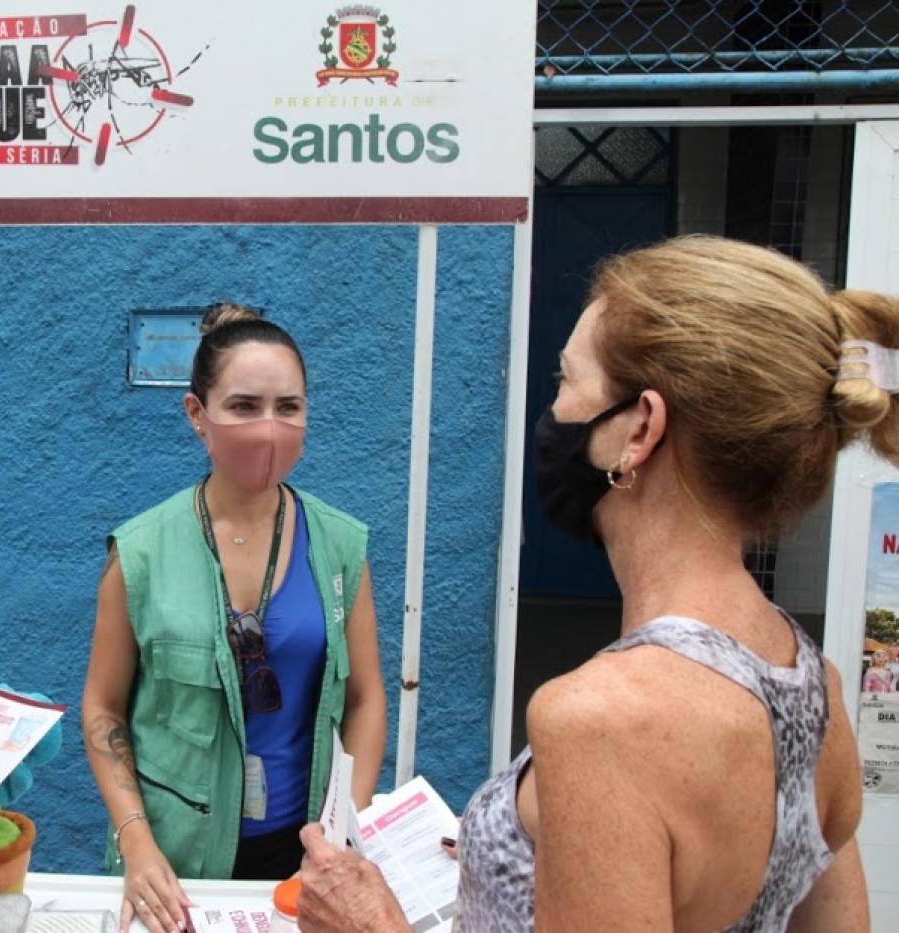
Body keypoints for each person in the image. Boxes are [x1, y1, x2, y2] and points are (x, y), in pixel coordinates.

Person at [295, 235, 881, 932]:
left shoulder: (599, 720)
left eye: (567, 382)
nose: (554, 414)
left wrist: (373, 924)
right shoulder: (818, 686)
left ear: (639, 429)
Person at [81, 303, 386, 933]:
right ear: (197, 414)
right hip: (175, 857)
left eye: (289, 408)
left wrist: (343, 836)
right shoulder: (139, 553)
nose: (269, 429)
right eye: (244, 406)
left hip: (305, 854)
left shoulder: (339, 546)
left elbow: (366, 698)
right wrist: (136, 843)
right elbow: (103, 709)